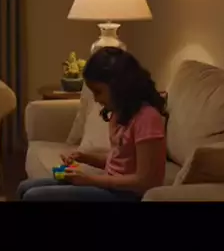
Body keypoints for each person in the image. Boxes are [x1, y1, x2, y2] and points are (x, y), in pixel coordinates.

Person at [17, 47, 166, 201]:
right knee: (24, 187)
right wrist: (85, 158)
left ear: (119, 86)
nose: (96, 99)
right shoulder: (118, 113)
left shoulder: (147, 118)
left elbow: (145, 182)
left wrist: (90, 180)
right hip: (111, 186)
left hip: (128, 195)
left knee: (32, 196)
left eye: (98, 92)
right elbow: (120, 161)